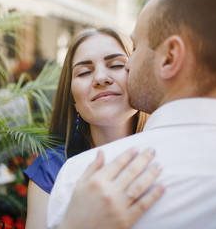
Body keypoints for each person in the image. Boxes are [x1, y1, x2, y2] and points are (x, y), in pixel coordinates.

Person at [47, 0, 216, 228]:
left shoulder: (80, 179)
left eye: (134, 48)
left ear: (169, 57)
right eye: (84, 71)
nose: (127, 66)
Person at [23, 27, 163, 229]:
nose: (100, 78)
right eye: (85, 72)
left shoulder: (167, 152)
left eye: (116, 65)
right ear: (72, 99)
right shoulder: (51, 169)